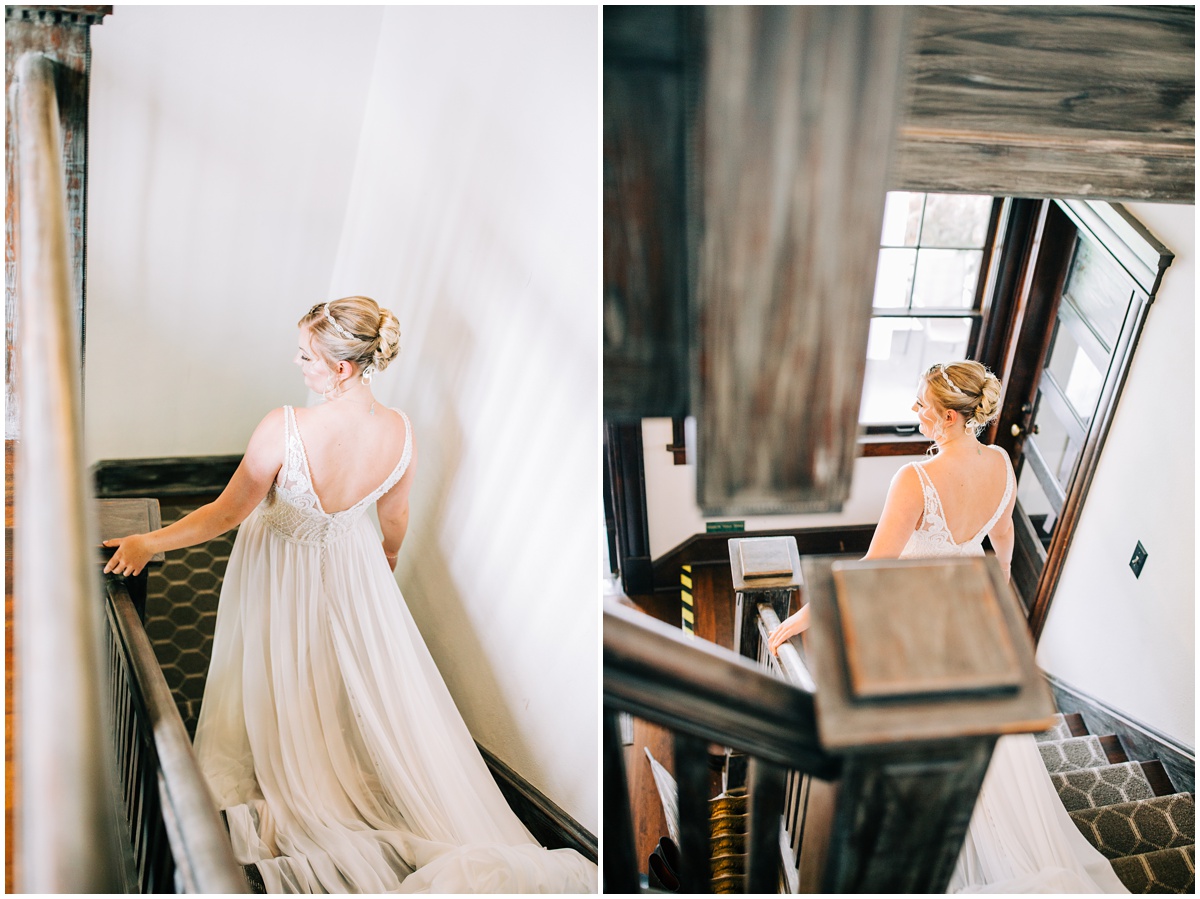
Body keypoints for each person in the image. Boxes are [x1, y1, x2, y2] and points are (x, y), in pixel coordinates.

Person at [102, 296, 597, 894]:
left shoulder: (285, 427)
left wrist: (149, 543)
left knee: (279, 660)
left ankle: (289, 766)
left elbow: (224, 514)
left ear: (341, 367)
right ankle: (321, 761)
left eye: (306, 354)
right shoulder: (402, 434)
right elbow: (395, 524)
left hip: (279, 562)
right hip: (353, 566)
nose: (297, 361)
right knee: (333, 669)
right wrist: (378, 571)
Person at [767, 360, 1126, 894]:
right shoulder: (1002, 463)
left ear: (953, 418)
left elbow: (872, 568)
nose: (914, 411)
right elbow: (1001, 542)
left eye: (922, 405)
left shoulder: (915, 481)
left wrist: (799, 618)